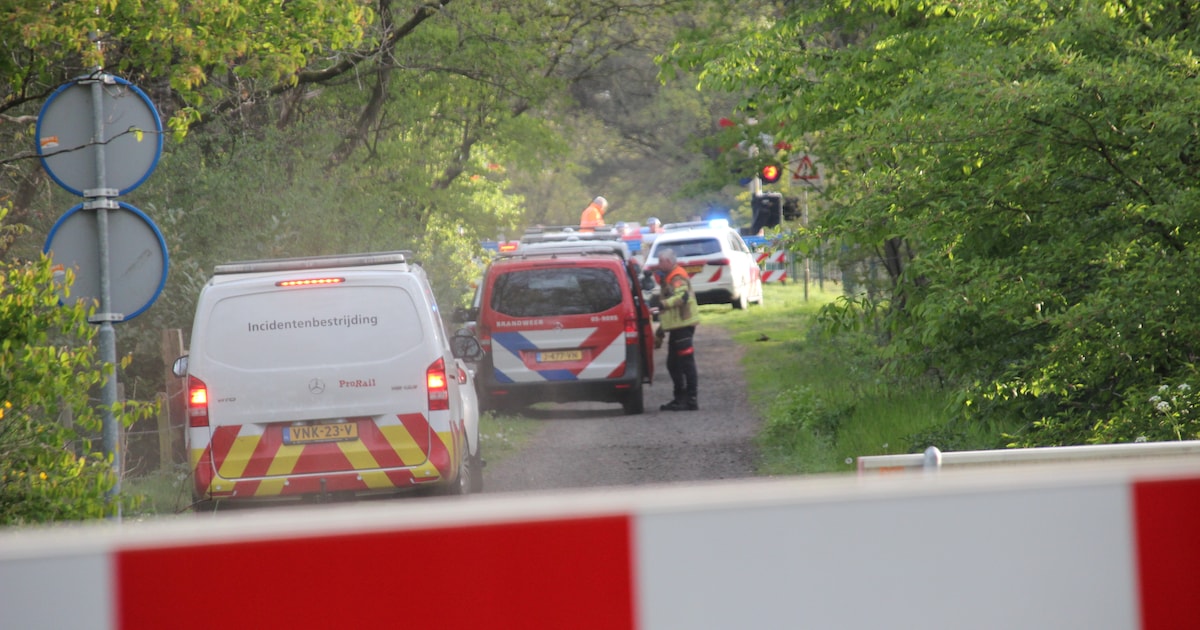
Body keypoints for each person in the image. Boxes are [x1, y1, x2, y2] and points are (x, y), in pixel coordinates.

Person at [654, 248, 701, 411]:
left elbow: (682, 297)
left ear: (668, 261)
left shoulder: (677, 277)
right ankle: (680, 398)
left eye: (661, 261)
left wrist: (662, 304)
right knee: (673, 364)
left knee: (686, 363)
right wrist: (661, 329)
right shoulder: (669, 276)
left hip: (683, 325)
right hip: (677, 326)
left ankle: (690, 399)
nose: (658, 264)